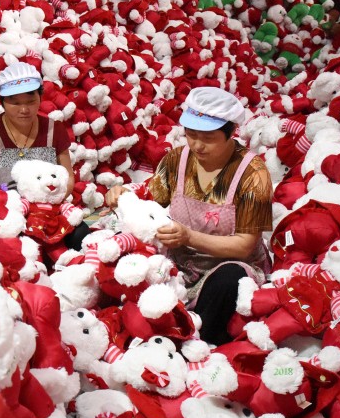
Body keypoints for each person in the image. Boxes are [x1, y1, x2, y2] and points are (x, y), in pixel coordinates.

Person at [104, 87, 273, 345]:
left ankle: (194, 340)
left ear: (231, 132)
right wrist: (125, 192)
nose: (196, 145)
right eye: (190, 135)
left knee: (229, 281)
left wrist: (189, 237)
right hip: (177, 261)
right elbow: (153, 194)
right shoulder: (178, 160)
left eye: (207, 137)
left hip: (225, 264)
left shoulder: (253, 175)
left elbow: (245, 245)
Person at [0, 61, 88, 251]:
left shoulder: (53, 131)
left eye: (30, 102)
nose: (24, 110)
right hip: (5, 214)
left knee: (80, 235)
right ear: (2, 102)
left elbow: (67, 176)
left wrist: (49, 200)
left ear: (40, 97)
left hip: (47, 213)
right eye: (15, 103)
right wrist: (3, 201)